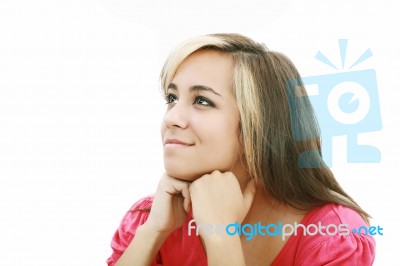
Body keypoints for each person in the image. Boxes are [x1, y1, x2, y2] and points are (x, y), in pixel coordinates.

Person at [106, 33, 375, 266]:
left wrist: (222, 236)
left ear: (258, 125)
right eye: (172, 98)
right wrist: (153, 231)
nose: (171, 118)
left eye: (202, 100)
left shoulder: (331, 235)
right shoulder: (152, 218)